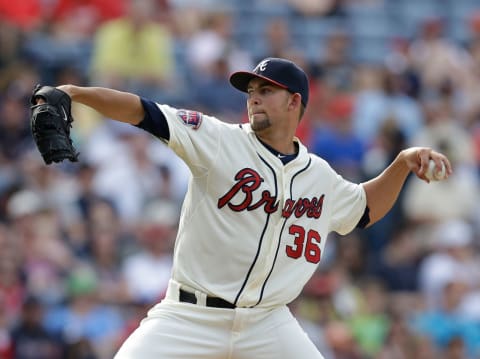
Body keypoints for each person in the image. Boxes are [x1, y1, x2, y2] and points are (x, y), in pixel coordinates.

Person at [34, 57, 452, 358]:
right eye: (251, 91)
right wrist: (73, 93)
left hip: (268, 323)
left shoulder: (319, 175)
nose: (254, 98)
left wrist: (400, 164)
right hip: (189, 316)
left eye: (266, 90)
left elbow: (362, 210)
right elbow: (143, 111)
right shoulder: (218, 139)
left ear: (295, 102)